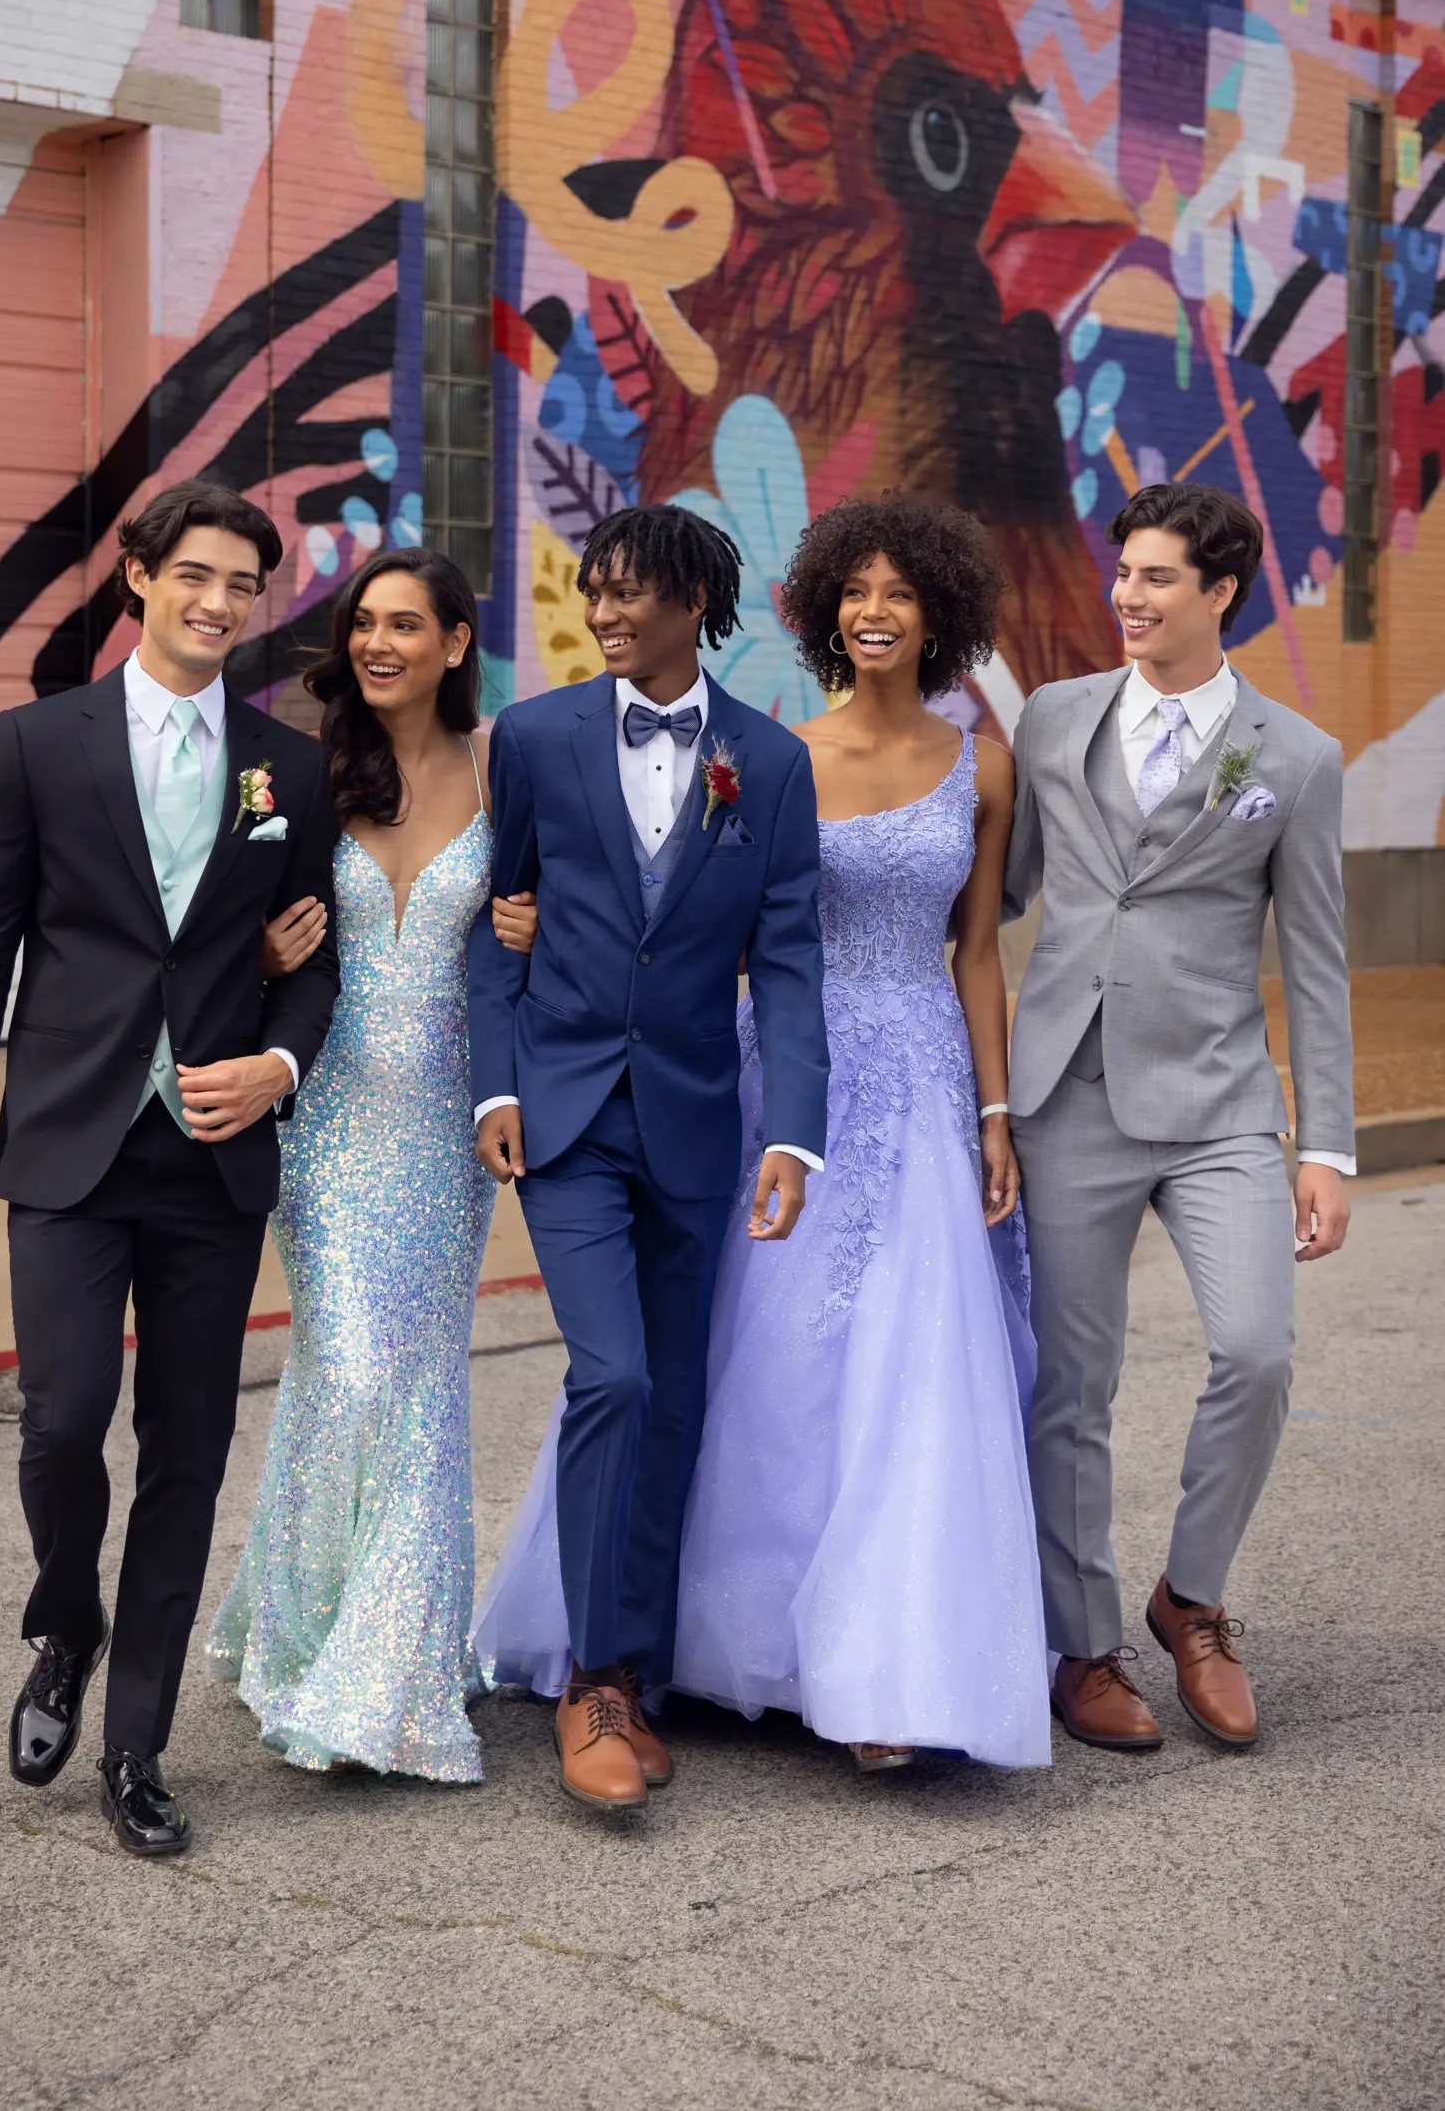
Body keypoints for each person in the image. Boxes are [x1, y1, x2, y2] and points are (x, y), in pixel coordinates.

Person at [0, 478, 340, 1857]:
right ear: (140, 578)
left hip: (213, 1160)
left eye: (244, 585)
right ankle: (67, 1620)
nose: (220, 603)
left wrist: (278, 1065)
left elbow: (311, 952)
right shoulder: (39, 744)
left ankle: (137, 1749)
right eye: (197, 577)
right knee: (62, 1416)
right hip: (63, 1141)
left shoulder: (293, 763)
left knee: (187, 1449)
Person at [672, 497, 1051, 1772]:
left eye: (899, 591)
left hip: (930, 1078)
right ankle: (746, 1643)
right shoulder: (773, 757)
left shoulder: (987, 765)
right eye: (855, 590)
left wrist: (996, 1112)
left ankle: (887, 1665)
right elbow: (716, 933)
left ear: (939, 612)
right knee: (773, 1347)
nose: (874, 610)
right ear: (827, 609)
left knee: (914, 1362)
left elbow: (980, 951)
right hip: (791, 1070)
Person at [469, 504, 830, 1817]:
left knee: (672, 1401)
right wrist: (492, 1084)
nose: (603, 614)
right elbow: (490, 931)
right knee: (612, 1377)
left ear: (692, 602)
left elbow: (787, 960)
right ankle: (592, 1677)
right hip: (563, 1119)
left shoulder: (769, 766)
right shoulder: (536, 738)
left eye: (627, 594)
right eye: (593, 593)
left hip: (695, 1122)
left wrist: (792, 1128)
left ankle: (645, 1665)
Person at [1006, 480, 1354, 1753]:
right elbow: (994, 893)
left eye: (1158, 579)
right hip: (1068, 1091)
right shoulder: (1051, 720)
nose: (1130, 598)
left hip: (1217, 1104)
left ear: (1220, 593)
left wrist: (1324, 1145)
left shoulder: (1297, 758)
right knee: (1073, 1387)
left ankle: (1190, 1598)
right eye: (1125, 574)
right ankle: (1083, 1642)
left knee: (1259, 1348)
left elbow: (1316, 959)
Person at [208, 547, 536, 1784]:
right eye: (363, 624)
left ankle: (386, 1664)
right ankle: (322, 1637)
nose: (378, 643)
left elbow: (560, 916)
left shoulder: (512, 767)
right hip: (327, 1110)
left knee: (416, 1377)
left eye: (407, 623)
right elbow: (215, 917)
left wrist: (535, 926)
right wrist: (259, 953)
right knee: (346, 1358)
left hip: (452, 1120)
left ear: (458, 641)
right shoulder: (299, 769)